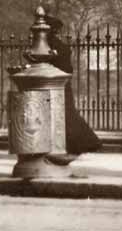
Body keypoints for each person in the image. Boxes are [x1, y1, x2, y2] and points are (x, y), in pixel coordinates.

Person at [45, 15, 102, 164]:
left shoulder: (47, 47)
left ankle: (84, 143)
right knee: (67, 113)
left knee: (62, 115)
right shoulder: (61, 46)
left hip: (52, 84)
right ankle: (80, 144)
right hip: (63, 83)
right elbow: (68, 69)